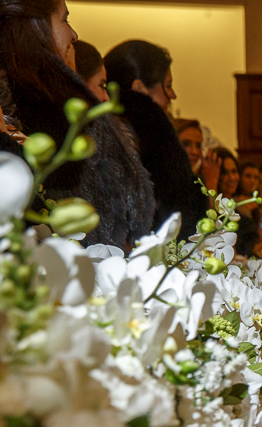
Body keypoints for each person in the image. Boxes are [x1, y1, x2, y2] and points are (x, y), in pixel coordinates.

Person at [0, 0, 154, 249]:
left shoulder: (51, 100)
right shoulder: (42, 107)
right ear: (36, 26)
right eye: (65, 19)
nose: (74, 34)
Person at [105, 39, 210, 236]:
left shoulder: (105, 126)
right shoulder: (152, 130)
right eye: (167, 86)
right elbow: (175, 213)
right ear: (139, 88)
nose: (173, 95)